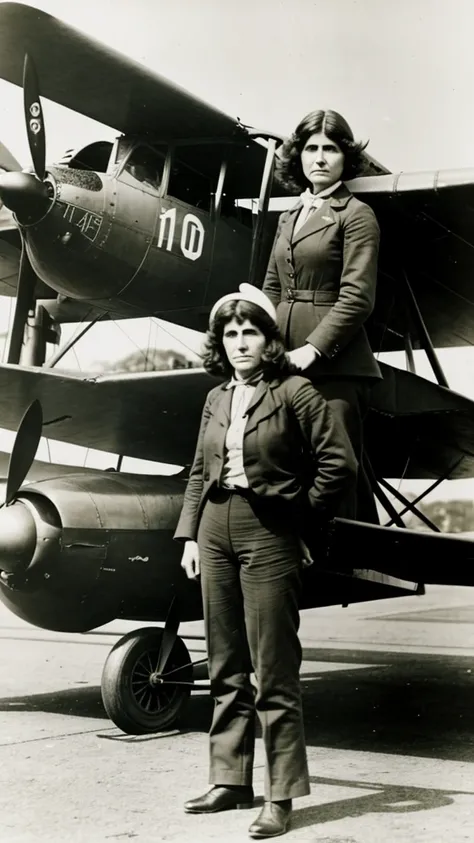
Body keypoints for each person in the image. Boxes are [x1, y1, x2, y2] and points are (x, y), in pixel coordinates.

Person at [174, 283, 357, 839]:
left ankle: (280, 796)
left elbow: (339, 464)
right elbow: (198, 473)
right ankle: (230, 780)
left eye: (249, 331)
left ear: (269, 338)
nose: (239, 343)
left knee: (274, 670)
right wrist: (188, 536)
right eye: (229, 334)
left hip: (269, 535)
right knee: (225, 663)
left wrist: (301, 522)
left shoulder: (297, 393)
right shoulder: (216, 397)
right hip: (214, 531)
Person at [262, 109, 382, 523]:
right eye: (311, 148)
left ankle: (343, 569)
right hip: (282, 360)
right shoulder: (288, 218)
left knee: (334, 468)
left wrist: (312, 351)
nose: (319, 158)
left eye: (330, 149)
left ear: (345, 157)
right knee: (283, 460)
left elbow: (357, 297)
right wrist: (263, 345)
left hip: (335, 364)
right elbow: (272, 289)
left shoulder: (357, 215)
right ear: (297, 156)